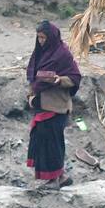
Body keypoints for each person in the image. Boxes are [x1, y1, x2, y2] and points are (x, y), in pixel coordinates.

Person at [26, 21, 82, 190]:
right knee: (44, 142)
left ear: (51, 38)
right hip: (42, 105)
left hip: (56, 107)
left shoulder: (62, 54)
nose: (41, 41)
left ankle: (53, 180)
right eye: (39, 38)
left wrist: (59, 80)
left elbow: (75, 77)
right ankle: (61, 176)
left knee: (52, 144)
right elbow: (34, 78)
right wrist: (31, 94)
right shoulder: (40, 54)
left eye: (43, 38)